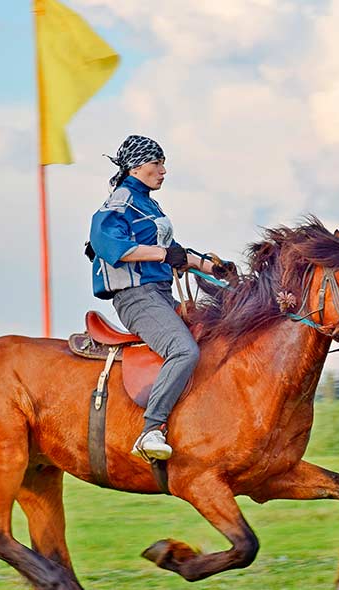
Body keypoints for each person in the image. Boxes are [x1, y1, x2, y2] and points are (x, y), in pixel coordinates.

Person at [88, 135, 226, 462]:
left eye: (163, 163)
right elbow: (113, 248)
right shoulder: (118, 203)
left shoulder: (149, 203)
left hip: (161, 294)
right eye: (157, 163)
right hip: (137, 298)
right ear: (136, 167)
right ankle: (151, 429)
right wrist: (165, 254)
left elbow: (176, 253)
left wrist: (215, 268)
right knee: (183, 350)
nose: (164, 171)